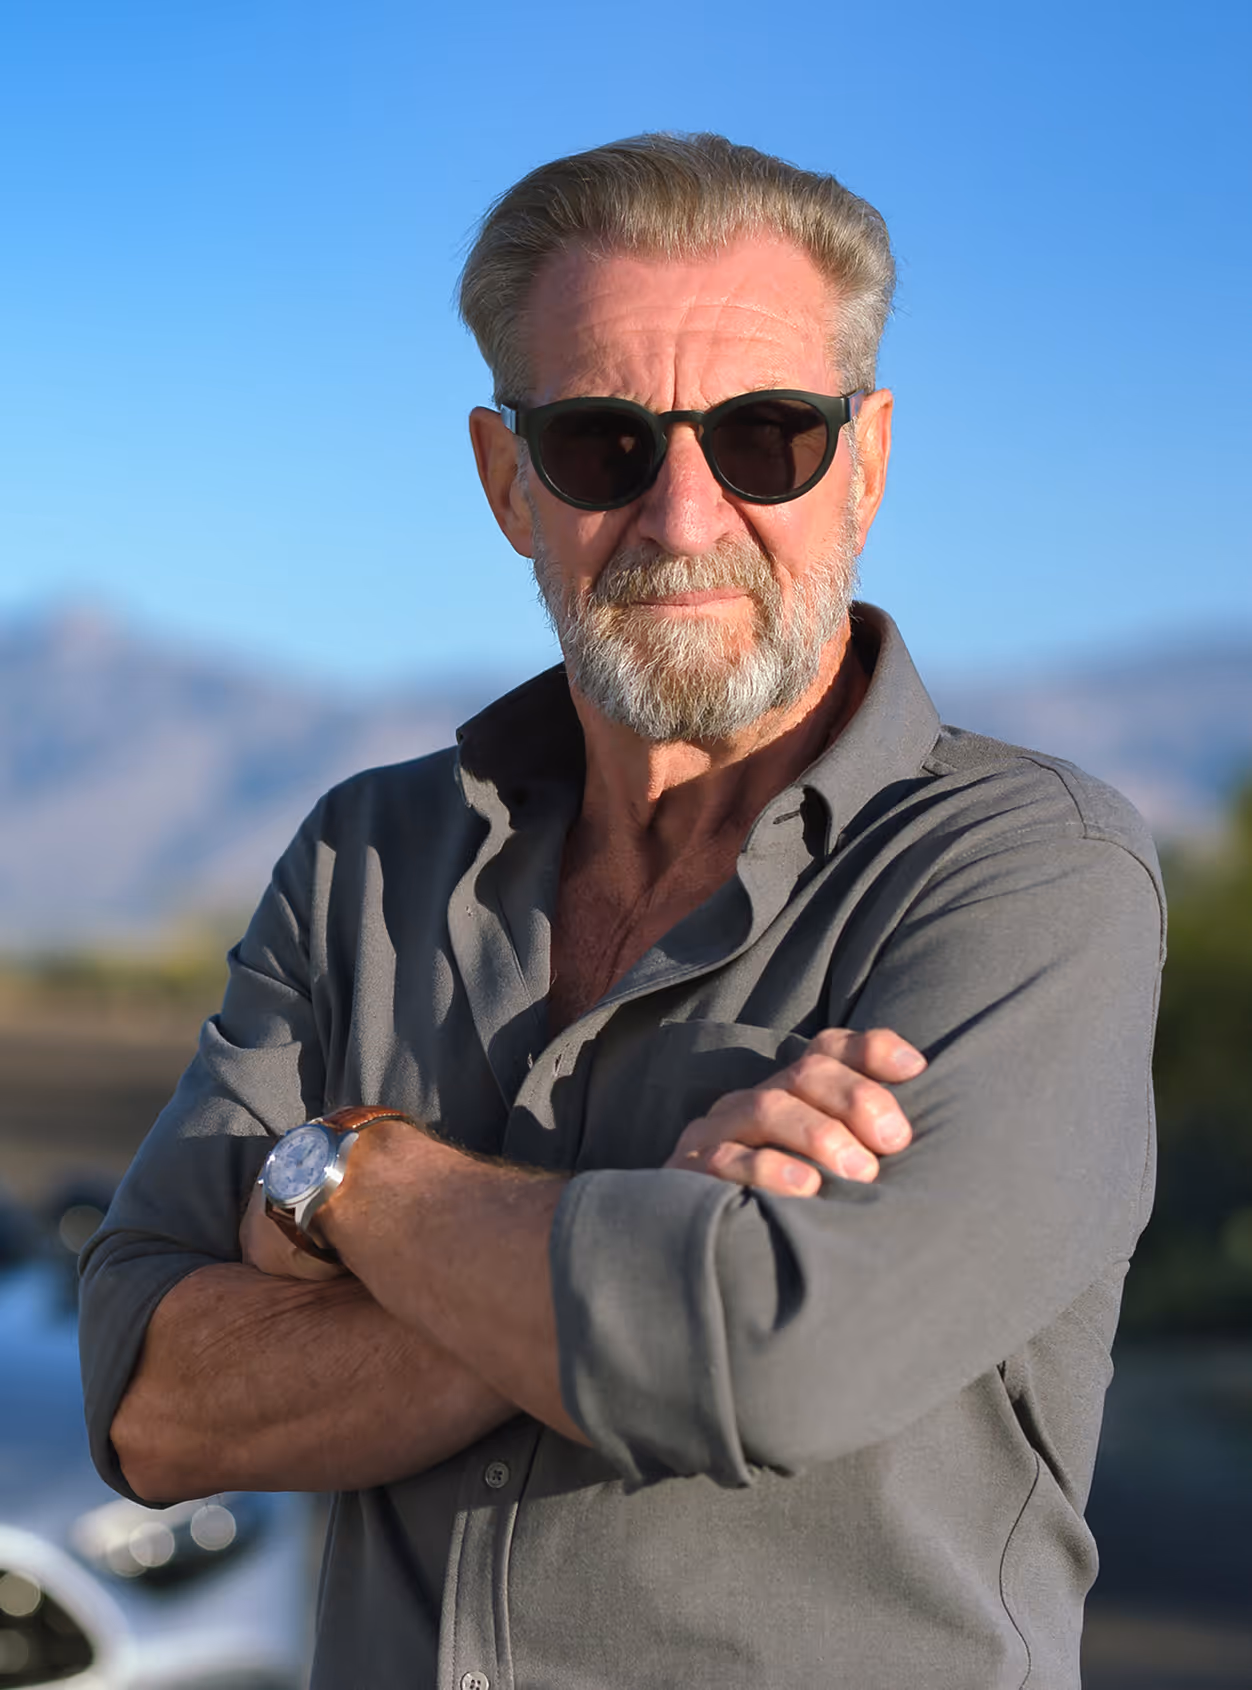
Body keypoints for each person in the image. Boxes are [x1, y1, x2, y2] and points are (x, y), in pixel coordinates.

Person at [79, 134, 1164, 1690]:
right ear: (506, 478)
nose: (679, 516)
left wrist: (351, 1183)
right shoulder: (363, 856)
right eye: (601, 443)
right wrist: (652, 1216)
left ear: (865, 462)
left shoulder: (1027, 872)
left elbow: (767, 1354)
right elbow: (154, 1404)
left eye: (766, 436)